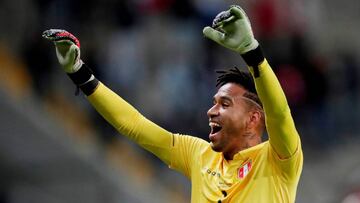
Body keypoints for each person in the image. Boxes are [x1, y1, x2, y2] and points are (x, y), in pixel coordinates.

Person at [43, 5, 303, 203]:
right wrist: (80, 73)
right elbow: (133, 124)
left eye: (225, 104)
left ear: (254, 118)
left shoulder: (279, 158)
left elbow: (278, 113)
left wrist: (251, 51)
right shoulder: (199, 155)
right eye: (214, 103)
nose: (211, 111)